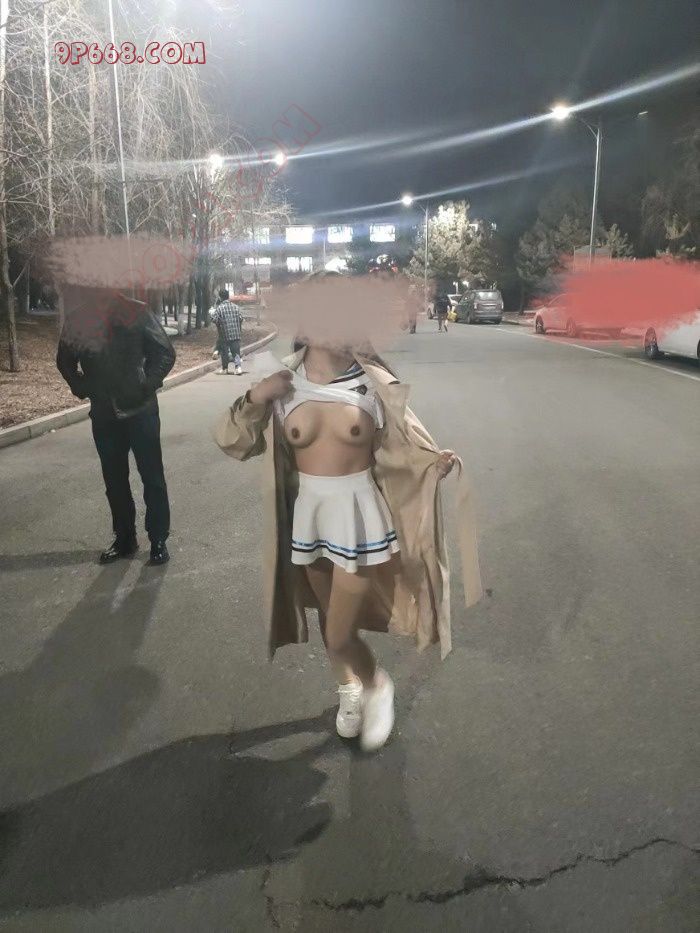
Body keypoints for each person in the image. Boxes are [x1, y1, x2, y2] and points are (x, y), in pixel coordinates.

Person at [214, 338, 482, 752]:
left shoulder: (374, 384)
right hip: (309, 518)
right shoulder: (282, 382)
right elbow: (234, 440)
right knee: (329, 617)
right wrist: (255, 397)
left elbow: (403, 448)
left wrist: (431, 466)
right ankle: (348, 687)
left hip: (360, 519)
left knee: (339, 633)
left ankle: (375, 683)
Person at [56, 287, 176, 566]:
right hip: (104, 413)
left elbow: (165, 353)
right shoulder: (79, 318)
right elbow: (65, 361)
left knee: (152, 478)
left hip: (141, 411)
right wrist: (83, 387)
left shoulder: (138, 311)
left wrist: (145, 385)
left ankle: (158, 539)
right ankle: (124, 539)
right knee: (114, 481)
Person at [210, 288, 243, 375]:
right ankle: (238, 368)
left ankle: (225, 368)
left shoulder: (220, 308)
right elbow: (241, 318)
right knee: (236, 352)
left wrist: (212, 313)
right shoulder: (236, 307)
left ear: (220, 298)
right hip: (236, 333)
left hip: (225, 334)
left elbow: (214, 319)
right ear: (228, 297)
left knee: (224, 352)